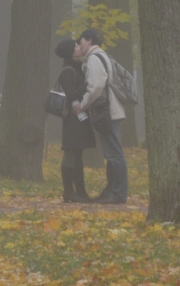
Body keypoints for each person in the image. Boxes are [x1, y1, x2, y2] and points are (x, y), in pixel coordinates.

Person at [71, 28, 128, 204]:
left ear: (89, 41)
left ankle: (118, 193)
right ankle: (111, 190)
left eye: (81, 41)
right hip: (110, 110)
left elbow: (95, 86)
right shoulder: (101, 57)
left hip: (107, 112)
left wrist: (83, 104)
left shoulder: (95, 59)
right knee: (112, 153)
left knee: (114, 154)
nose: (79, 45)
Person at [54, 39, 94, 203]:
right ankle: (69, 192)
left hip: (79, 117)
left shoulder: (76, 67)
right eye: (76, 46)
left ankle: (81, 192)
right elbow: (70, 94)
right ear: (70, 51)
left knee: (78, 154)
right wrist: (86, 86)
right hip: (72, 118)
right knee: (71, 153)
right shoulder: (68, 71)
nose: (79, 47)